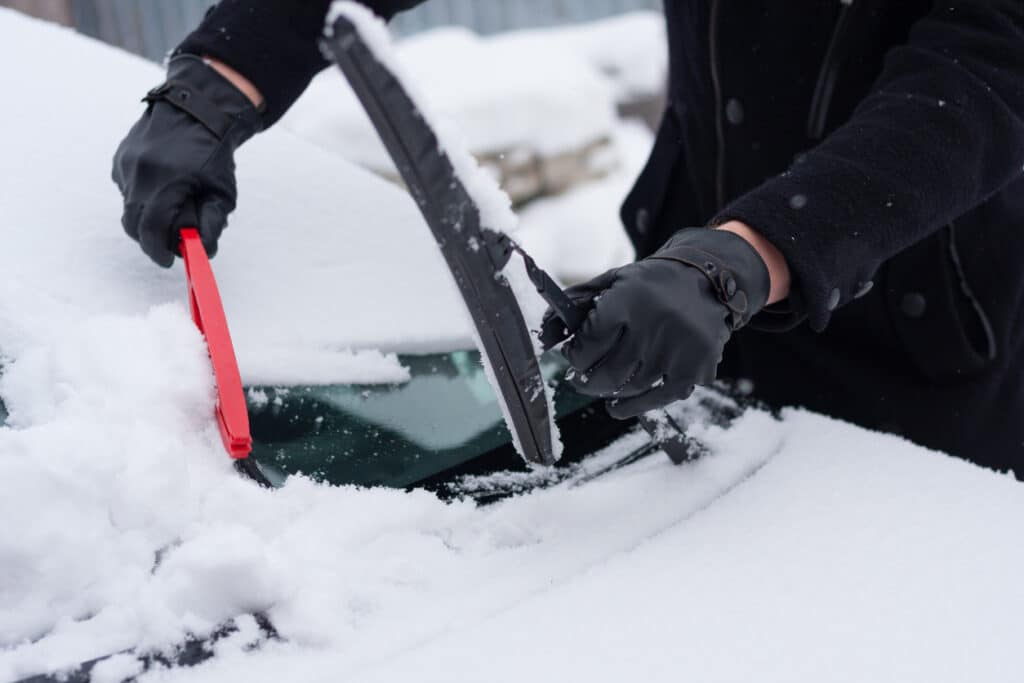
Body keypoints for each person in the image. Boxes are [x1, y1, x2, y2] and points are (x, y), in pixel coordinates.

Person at [112, 1, 1024, 475]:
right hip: (677, 303)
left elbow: (987, 71)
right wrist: (224, 74)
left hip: (920, 346)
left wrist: (755, 251)